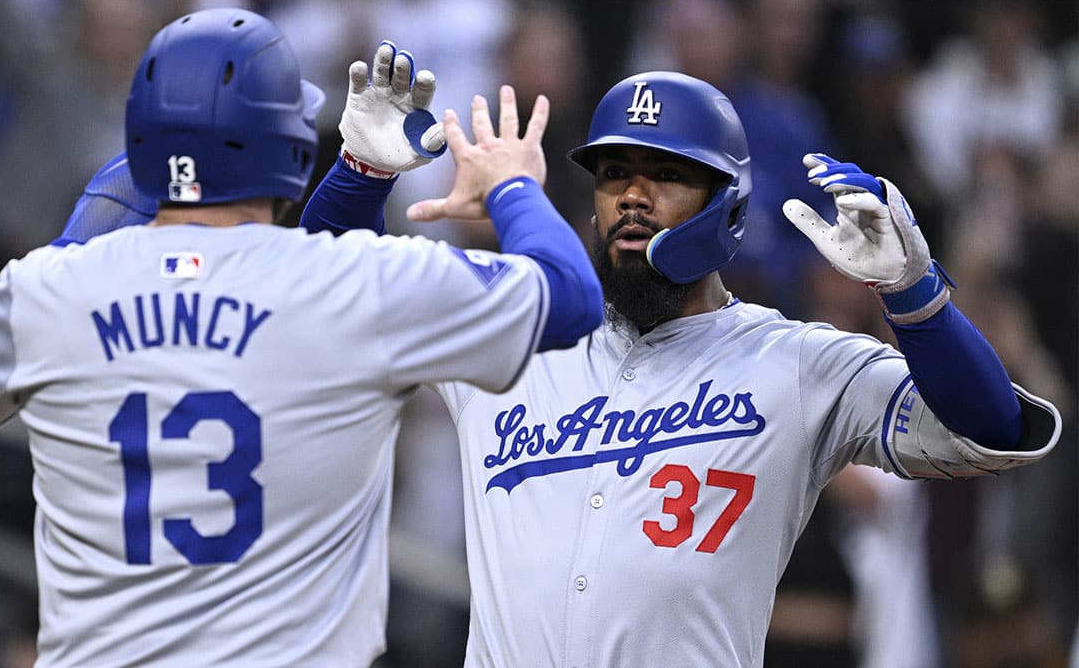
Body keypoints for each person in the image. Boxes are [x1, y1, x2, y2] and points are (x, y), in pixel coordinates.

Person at [303, 71, 1063, 668]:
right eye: (613, 174)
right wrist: (361, 173)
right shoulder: (512, 323)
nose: (632, 195)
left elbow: (987, 425)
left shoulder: (796, 362)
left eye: (666, 172)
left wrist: (916, 299)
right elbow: (319, 297)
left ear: (727, 203)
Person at [0, 8, 603, 668]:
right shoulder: (354, 285)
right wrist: (512, 185)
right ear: (288, 146)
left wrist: (79, 236)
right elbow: (569, 297)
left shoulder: (49, 290)